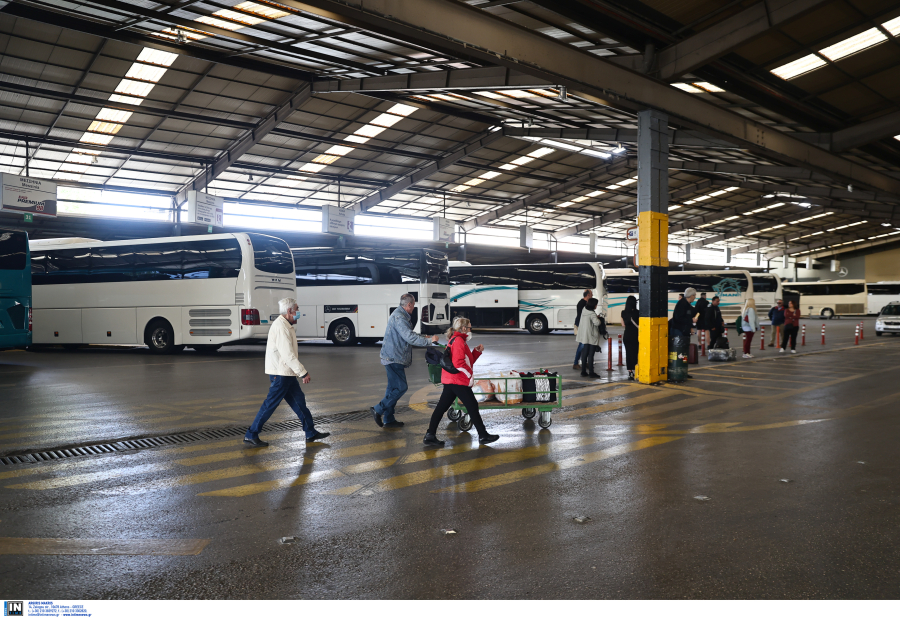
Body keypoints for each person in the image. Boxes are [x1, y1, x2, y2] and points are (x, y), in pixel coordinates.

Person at [244, 297, 330, 447]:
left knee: (299, 402)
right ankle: (251, 434)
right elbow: (288, 355)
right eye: (297, 309)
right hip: (281, 374)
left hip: (286, 373)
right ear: (289, 311)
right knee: (270, 404)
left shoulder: (286, 325)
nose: (298, 312)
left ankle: (310, 431)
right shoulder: (281, 327)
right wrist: (303, 372)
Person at [424, 317, 499, 446]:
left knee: (442, 407)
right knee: (472, 406)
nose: (470, 330)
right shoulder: (458, 341)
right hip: (457, 381)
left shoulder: (458, 340)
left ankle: (430, 435)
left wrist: (476, 352)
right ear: (463, 328)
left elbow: (466, 362)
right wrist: (469, 375)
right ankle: (483, 435)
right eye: (469, 327)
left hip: (451, 380)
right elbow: (459, 364)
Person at [371, 293, 439, 429]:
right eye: (413, 305)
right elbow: (409, 337)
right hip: (393, 357)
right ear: (409, 305)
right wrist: (429, 340)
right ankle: (378, 409)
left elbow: (408, 334)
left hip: (392, 356)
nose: (414, 308)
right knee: (401, 387)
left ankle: (389, 419)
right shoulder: (400, 317)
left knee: (392, 389)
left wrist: (422, 336)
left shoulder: (400, 315)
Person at [576, 297, 602, 378]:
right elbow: (597, 323)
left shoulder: (584, 310)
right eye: (596, 304)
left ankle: (583, 371)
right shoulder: (592, 314)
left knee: (585, 354)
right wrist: (599, 319)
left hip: (584, 336)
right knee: (591, 355)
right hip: (591, 337)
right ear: (593, 305)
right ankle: (591, 372)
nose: (596, 306)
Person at [620, 295, 639, 380]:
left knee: (628, 354)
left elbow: (623, 324)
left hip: (627, 335)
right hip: (636, 336)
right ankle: (637, 370)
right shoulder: (638, 312)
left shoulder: (623, 312)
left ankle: (630, 372)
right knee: (636, 353)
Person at [572, 289, 592, 370]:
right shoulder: (583, 304)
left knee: (585, 344)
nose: (592, 296)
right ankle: (576, 363)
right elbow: (583, 315)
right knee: (582, 344)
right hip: (581, 325)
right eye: (591, 294)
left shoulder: (583, 303)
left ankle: (584, 361)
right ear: (588, 295)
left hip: (582, 325)